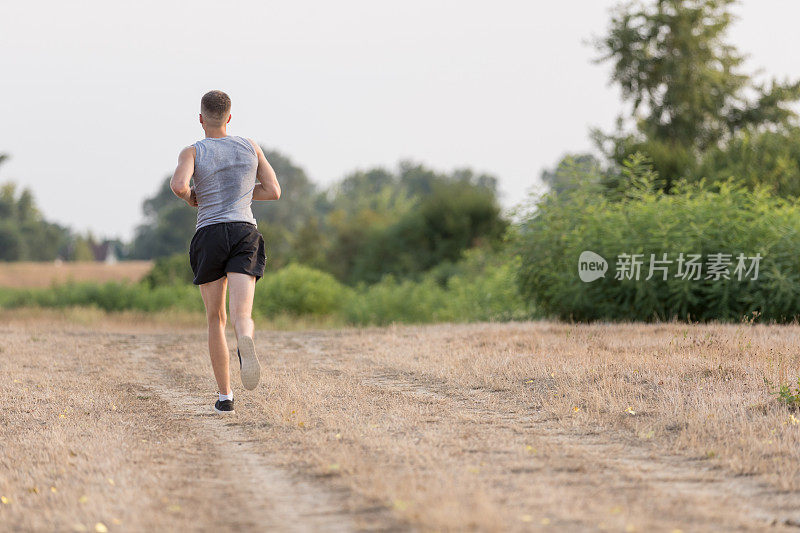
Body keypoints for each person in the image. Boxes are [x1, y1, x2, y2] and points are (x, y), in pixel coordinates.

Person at [170, 90, 281, 415]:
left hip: (210, 234)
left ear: (201, 119)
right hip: (244, 231)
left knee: (215, 320)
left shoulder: (193, 151)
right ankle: (245, 341)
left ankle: (225, 396)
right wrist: (242, 195)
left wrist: (193, 195)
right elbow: (274, 191)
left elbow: (179, 185)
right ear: (229, 118)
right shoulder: (250, 147)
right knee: (241, 315)